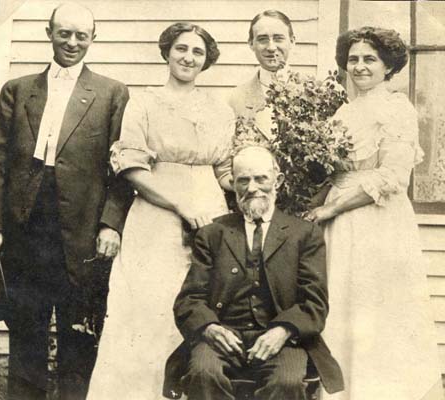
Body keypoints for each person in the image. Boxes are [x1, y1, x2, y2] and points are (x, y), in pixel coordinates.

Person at [87, 22, 235, 399]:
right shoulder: (145, 103)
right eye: (181, 49)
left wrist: (255, 179)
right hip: (156, 218)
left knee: (201, 304)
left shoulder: (220, 109)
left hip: (210, 218)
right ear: (167, 52)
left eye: (198, 52)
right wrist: (181, 204)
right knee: (149, 309)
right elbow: (132, 167)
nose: (188, 57)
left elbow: (225, 170)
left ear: (207, 61)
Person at [0, 3, 131, 400]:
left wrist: (111, 223)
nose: (72, 43)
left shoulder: (111, 93)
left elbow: (122, 168)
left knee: (79, 332)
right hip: (27, 225)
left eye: (81, 35)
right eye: (64, 33)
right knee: (26, 328)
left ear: (94, 37)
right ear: (48, 32)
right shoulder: (18, 90)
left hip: (83, 228)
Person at [306, 27, 444, 400]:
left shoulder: (397, 109)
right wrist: (316, 204)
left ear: (388, 67)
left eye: (370, 59)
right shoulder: (344, 110)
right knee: (344, 304)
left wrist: (331, 207)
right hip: (340, 222)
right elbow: (334, 171)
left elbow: (391, 177)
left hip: (378, 219)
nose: (360, 66)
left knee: (377, 306)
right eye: (353, 59)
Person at [166, 146, 344, 400]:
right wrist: (210, 328)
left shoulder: (304, 234)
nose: (252, 188)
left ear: (278, 181)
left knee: (287, 382)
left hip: (282, 339)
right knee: (203, 373)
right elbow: (188, 299)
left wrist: (283, 331)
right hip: (223, 336)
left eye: (261, 178)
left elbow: (314, 302)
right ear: (232, 184)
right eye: (243, 180)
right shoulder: (213, 234)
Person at [228, 10, 295, 140]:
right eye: (263, 39)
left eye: (278, 39)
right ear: (251, 44)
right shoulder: (234, 99)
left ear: (292, 41)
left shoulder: (317, 95)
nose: (271, 47)